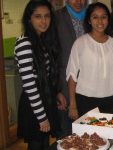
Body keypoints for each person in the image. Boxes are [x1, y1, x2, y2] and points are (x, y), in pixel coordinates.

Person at [14, 1, 59, 149]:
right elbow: (30, 85)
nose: (44, 21)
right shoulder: (25, 43)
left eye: (47, 16)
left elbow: (46, 76)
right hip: (34, 106)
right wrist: (42, 118)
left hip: (43, 100)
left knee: (44, 144)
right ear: (29, 19)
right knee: (36, 145)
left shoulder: (41, 41)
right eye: (38, 16)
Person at [66, 2, 113, 120]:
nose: (100, 21)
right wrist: (73, 105)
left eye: (103, 17)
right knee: (88, 137)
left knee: (110, 136)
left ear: (108, 19)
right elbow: (71, 75)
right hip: (86, 101)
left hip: (111, 100)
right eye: (95, 17)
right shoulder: (80, 43)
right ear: (89, 20)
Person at [55, 0, 87, 137]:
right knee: (67, 132)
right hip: (65, 85)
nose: (79, 2)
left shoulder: (92, 16)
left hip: (89, 84)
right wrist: (57, 90)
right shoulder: (56, 18)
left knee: (88, 129)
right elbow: (52, 57)